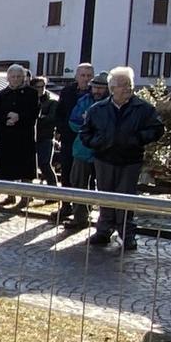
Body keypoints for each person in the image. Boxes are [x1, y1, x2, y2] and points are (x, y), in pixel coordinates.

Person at [81, 66, 162, 250]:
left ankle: (127, 233)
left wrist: (137, 139)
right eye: (123, 85)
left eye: (130, 85)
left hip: (130, 159)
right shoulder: (97, 109)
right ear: (112, 88)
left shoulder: (144, 108)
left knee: (126, 197)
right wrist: (98, 142)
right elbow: (85, 133)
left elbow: (156, 129)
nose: (128, 88)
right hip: (104, 158)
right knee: (105, 195)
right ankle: (103, 230)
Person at [60, 72, 110, 228]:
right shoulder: (84, 100)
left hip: (104, 151)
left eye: (101, 88)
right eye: (95, 87)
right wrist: (90, 126)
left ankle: (105, 222)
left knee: (104, 187)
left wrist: (90, 123)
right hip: (82, 148)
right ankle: (80, 217)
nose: (97, 91)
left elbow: (109, 126)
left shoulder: (111, 104)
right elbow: (74, 121)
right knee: (78, 183)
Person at [0, 63, 40, 205]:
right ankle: (10, 195)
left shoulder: (32, 93)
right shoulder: (1, 94)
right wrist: (7, 119)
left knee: (25, 168)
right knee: (7, 168)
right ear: (8, 78)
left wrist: (19, 117)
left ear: (23, 78)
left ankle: (26, 196)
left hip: (24, 135)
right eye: (13, 77)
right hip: (6, 136)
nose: (16, 79)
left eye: (19, 77)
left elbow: (34, 112)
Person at [52, 62, 94, 183]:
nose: (86, 79)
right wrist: (63, 130)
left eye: (89, 76)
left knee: (87, 174)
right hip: (69, 137)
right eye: (83, 75)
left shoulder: (96, 93)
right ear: (76, 76)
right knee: (67, 170)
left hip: (87, 140)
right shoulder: (67, 91)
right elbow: (59, 113)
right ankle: (65, 201)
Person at [31, 74, 60, 184]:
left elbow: (51, 119)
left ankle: (53, 191)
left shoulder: (52, 102)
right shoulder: (30, 101)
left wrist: (39, 118)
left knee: (45, 164)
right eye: (37, 87)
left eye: (42, 86)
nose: (40, 89)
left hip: (46, 137)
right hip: (31, 137)